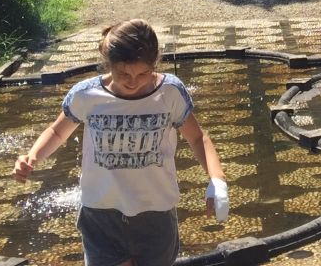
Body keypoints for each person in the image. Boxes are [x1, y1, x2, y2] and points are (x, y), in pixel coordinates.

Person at [14, 19, 227, 266]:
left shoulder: (169, 92)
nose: (133, 82)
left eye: (143, 74)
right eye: (123, 73)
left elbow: (199, 138)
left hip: (155, 214)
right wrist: (33, 156)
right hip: (101, 215)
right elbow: (58, 132)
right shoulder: (87, 95)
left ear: (154, 64)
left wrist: (217, 180)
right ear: (108, 63)